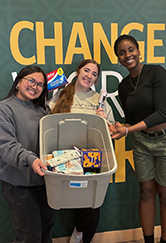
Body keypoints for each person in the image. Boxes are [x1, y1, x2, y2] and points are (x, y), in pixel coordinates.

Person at [111, 35, 166, 243]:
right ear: (118, 59)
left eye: (130, 49)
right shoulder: (124, 86)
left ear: (138, 51)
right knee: (146, 192)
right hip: (143, 142)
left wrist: (128, 131)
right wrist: (121, 127)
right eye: (122, 52)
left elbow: (161, 113)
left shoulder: (156, 72)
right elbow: (131, 120)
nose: (127, 55)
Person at [47, 59, 115, 243]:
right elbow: (48, 123)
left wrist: (105, 122)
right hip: (63, 158)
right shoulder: (61, 94)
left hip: (90, 159)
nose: (90, 76)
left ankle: (80, 235)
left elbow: (112, 133)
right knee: (58, 200)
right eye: (87, 70)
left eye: (94, 74)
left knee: (92, 204)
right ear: (77, 72)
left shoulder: (99, 101)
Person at [0, 65, 55, 243]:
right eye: (31, 81)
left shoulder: (42, 111)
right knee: (29, 235)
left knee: (46, 229)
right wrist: (31, 159)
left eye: (40, 85)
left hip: (43, 181)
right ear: (18, 82)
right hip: (18, 185)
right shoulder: (4, 108)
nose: (35, 87)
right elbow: (7, 146)